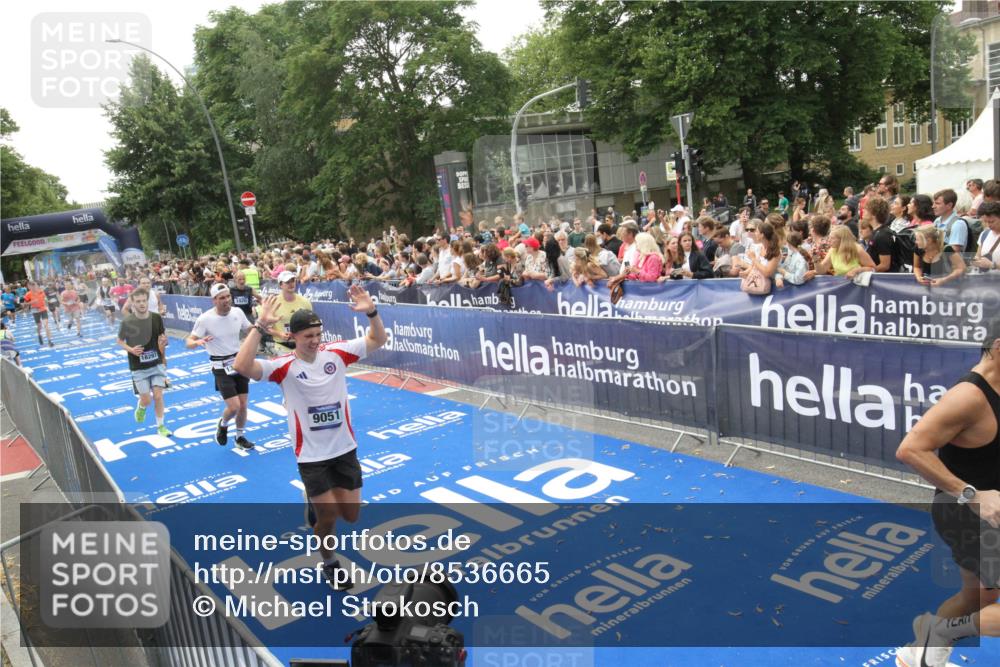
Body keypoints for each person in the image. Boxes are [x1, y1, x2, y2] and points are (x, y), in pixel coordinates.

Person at [233, 285, 387, 589]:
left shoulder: (338, 353)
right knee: (327, 519)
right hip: (312, 457)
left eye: (318, 335)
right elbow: (241, 366)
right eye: (308, 337)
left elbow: (378, 339)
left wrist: (372, 312)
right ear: (293, 337)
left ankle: (314, 506)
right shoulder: (283, 367)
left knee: (352, 516)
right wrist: (260, 326)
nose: (315, 341)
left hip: (344, 450)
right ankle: (329, 563)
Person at [894, 318, 999, 667]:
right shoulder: (969, 396)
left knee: (976, 597)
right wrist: (974, 496)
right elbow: (910, 449)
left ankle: (921, 654)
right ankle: (940, 634)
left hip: (991, 512)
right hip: (966, 512)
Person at [186, 283, 255, 450]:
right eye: (222, 298)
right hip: (220, 366)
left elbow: (250, 329)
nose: (226, 300)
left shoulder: (237, 312)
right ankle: (223, 425)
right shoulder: (205, 319)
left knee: (243, 405)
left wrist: (260, 328)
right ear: (214, 301)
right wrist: (198, 341)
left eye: (228, 296)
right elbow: (188, 341)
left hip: (239, 362)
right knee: (234, 407)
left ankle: (239, 436)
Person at [118, 288, 171, 437]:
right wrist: (131, 349)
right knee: (147, 400)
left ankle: (161, 427)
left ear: (148, 301)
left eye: (144, 300)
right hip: (138, 367)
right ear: (132, 304)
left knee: (158, 396)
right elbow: (119, 341)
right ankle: (141, 406)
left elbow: (162, 338)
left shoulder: (156, 318)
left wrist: (164, 346)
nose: (141, 304)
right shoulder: (128, 321)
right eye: (138, 301)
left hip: (156, 364)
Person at [266, 271, 313, 354]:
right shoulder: (273, 303)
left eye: (293, 281)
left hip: (301, 346)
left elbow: (311, 324)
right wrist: (280, 334)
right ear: (281, 285)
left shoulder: (305, 302)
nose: (291, 284)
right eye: (287, 282)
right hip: (282, 347)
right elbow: (266, 328)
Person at [864, 196, 899, 273]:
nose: (863, 211)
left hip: (884, 280)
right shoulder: (876, 232)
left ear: (873, 214)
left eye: (866, 210)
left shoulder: (882, 235)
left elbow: (885, 265)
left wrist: (864, 272)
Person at [933, 189, 968, 254]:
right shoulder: (937, 221)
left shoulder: (958, 224)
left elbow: (954, 252)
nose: (933, 206)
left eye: (937, 203)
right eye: (934, 203)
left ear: (949, 205)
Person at [970, 201, 1000, 272]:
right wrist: (976, 261)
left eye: (992, 221)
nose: (989, 225)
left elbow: (990, 264)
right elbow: (978, 255)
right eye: (986, 221)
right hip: (986, 279)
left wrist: (992, 265)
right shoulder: (985, 234)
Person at [23, 282, 53, 347]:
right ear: (29, 287)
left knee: (46, 325)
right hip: (35, 311)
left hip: (43, 309)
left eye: (35, 286)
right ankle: (39, 335)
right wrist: (31, 302)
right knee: (39, 326)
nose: (34, 287)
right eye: (32, 286)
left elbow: (45, 299)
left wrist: (47, 302)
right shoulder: (28, 294)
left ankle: (49, 341)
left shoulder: (41, 291)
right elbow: (24, 304)